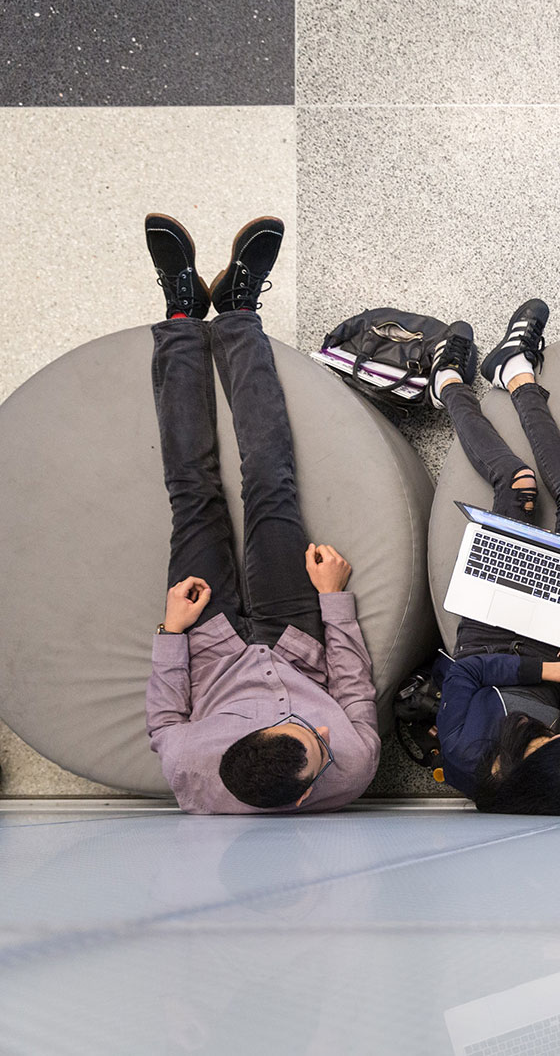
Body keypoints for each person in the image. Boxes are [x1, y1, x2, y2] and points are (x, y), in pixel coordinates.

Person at [142, 213, 380, 813]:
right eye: (317, 742)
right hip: (297, 636)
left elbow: (168, 717)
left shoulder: (190, 771)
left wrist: (173, 632)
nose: (324, 732)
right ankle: (241, 315)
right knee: (272, 486)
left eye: (312, 735)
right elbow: (350, 691)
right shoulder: (351, 767)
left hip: (209, 643)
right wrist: (333, 600)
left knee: (194, 493)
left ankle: (181, 317)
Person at [421, 300, 560, 813]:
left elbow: (466, 675)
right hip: (553, 641)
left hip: (490, 635)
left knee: (516, 484)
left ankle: (449, 388)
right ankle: (516, 374)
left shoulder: (465, 754)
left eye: (548, 743)